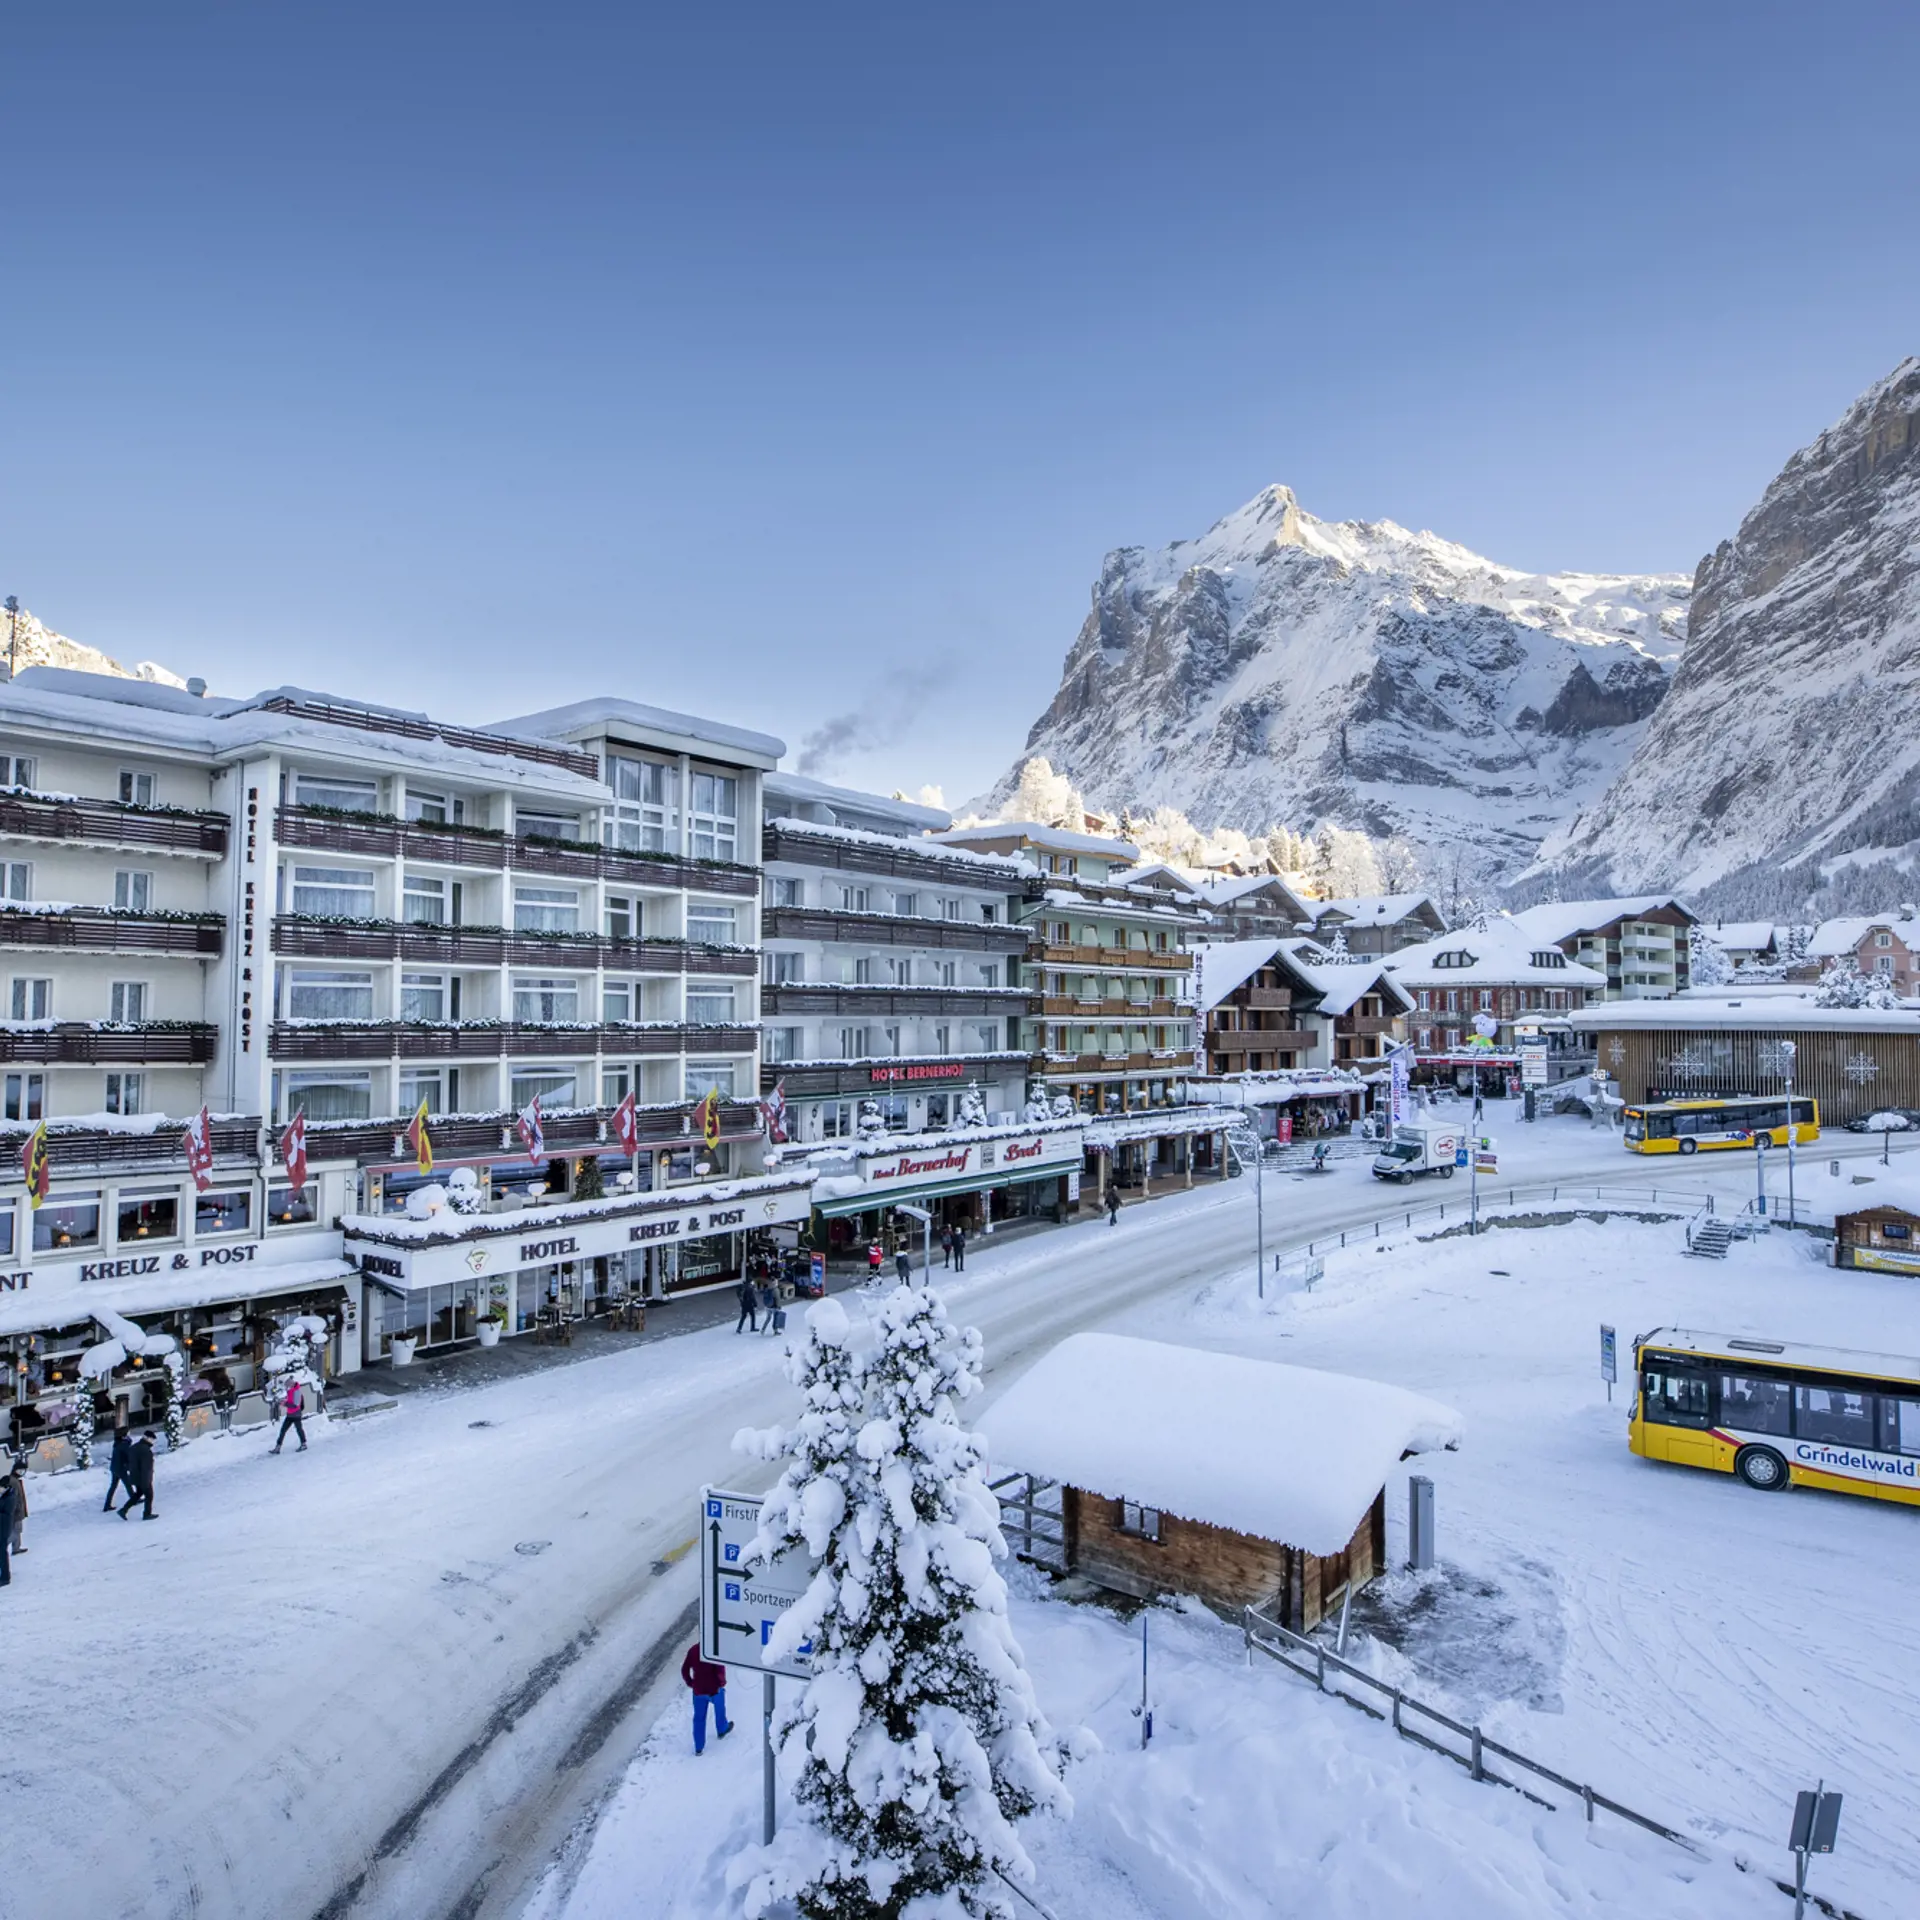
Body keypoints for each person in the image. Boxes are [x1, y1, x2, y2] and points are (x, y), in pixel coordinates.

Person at [680, 1640, 732, 1754]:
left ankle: (698, 1747)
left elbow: (684, 1670)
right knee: (720, 1709)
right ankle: (722, 1729)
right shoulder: (714, 1650)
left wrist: (691, 1683)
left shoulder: (693, 1650)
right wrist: (722, 1683)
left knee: (699, 1718)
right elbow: (720, 1670)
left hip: (698, 1690)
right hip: (714, 1689)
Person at [120, 1431, 156, 1521]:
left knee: (138, 1494)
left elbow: (128, 1462)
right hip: (143, 1478)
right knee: (149, 1495)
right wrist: (146, 1481)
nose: (152, 1442)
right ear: (147, 1438)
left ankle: (123, 1510)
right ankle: (147, 1514)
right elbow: (146, 1468)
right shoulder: (146, 1451)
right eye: (152, 1439)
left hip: (135, 1476)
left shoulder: (134, 1447)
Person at [103, 1419, 135, 1514]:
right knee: (128, 1484)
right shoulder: (124, 1445)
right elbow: (128, 1456)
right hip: (121, 1468)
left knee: (113, 1486)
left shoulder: (118, 1443)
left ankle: (107, 1505)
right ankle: (134, 1499)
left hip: (114, 1467)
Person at [271, 1377, 309, 1454]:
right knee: (283, 1430)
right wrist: (283, 1401)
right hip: (290, 1414)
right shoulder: (290, 1391)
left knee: (299, 1429)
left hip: (296, 1415)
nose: (286, 1388)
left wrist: (285, 1404)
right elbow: (290, 1400)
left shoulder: (297, 1392)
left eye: (287, 1386)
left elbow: (295, 1405)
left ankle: (303, 1444)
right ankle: (278, 1447)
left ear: (291, 1385)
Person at [6, 1455, 25, 1556]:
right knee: (15, 1531)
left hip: (17, 1510)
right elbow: (13, 1497)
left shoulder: (15, 1480)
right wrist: (16, 1509)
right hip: (15, 1511)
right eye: (20, 1470)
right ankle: (6, 1545)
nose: (22, 1472)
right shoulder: (13, 1481)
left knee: (17, 1530)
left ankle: (16, 1548)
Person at [0, 1469, 13, 1587]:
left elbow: (6, 1514)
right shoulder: (5, 1496)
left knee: (2, 1552)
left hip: (3, 1528)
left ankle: (5, 1576)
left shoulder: (9, 1497)